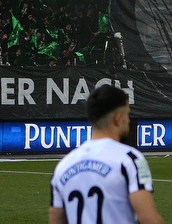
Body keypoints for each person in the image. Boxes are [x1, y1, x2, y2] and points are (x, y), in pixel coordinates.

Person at [49, 85, 165, 224]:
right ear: (117, 118)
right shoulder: (129, 159)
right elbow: (148, 218)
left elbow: (55, 218)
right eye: (127, 115)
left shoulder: (64, 166)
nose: (128, 121)